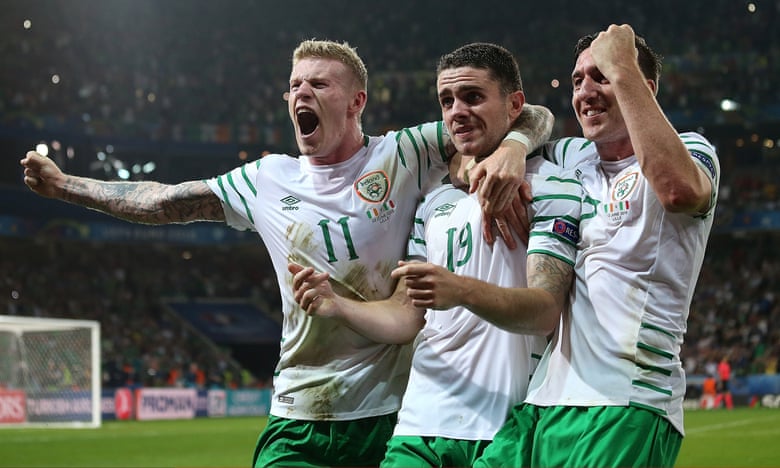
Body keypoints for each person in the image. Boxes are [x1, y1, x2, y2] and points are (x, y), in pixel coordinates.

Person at [20, 39, 553, 467]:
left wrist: (511, 149)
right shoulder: (267, 179)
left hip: (388, 414)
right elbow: (162, 202)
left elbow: (528, 115)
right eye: (295, 85)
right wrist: (67, 186)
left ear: (356, 102)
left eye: (319, 84)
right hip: (299, 413)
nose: (302, 92)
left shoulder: (404, 152)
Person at [289, 42, 581, 467]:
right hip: (420, 422)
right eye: (447, 101)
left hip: (504, 424)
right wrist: (338, 306)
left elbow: (545, 312)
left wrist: (460, 290)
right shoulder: (434, 201)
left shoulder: (552, 187)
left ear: (515, 105)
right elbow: (406, 315)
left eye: (473, 97)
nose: (457, 111)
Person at [474, 24, 720, 468]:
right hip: (543, 400)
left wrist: (622, 64)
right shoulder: (574, 158)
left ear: (643, 88)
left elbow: (678, 192)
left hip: (626, 400)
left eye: (601, 76)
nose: (585, 91)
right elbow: (530, 119)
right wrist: (513, 146)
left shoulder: (691, 149)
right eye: (577, 81)